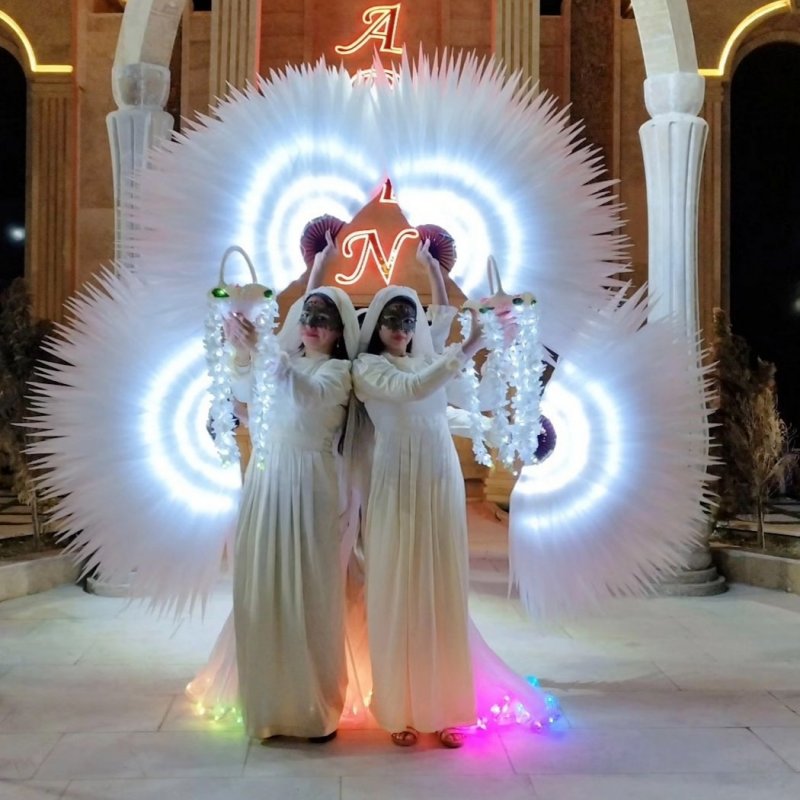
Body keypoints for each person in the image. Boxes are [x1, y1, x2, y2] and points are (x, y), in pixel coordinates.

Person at [352, 281, 488, 749]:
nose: (401, 328)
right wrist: (469, 345)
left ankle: (445, 708)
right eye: (392, 319)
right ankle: (398, 708)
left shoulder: (428, 362)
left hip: (439, 476)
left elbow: (443, 410)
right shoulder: (367, 368)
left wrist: (500, 428)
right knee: (398, 588)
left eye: (409, 320)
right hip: (396, 479)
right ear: (377, 324)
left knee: (441, 587)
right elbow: (411, 391)